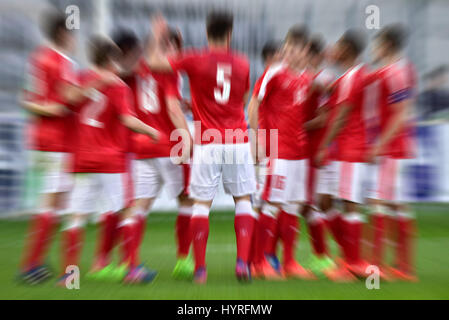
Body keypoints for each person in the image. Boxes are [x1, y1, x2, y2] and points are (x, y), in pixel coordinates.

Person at [148, 11, 257, 284]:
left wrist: (158, 34)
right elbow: (241, 99)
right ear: (230, 34)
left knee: (200, 204)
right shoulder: (243, 63)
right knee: (243, 199)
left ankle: (200, 269)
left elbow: (153, 63)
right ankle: (243, 263)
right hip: (236, 139)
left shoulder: (194, 58)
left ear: (207, 34)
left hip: (208, 141)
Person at [59, 36, 159, 285]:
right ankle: (132, 270)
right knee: (127, 210)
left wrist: (91, 82)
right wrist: (151, 131)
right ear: (111, 59)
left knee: (76, 216)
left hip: (82, 160)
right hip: (110, 161)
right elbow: (127, 120)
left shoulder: (81, 79)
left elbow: (67, 98)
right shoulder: (117, 86)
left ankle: (70, 276)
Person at [18, 11, 97, 284]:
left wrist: (39, 106)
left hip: (42, 138)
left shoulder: (38, 57)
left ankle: (36, 262)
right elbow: (67, 98)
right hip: (58, 141)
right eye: (73, 33)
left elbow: (28, 98)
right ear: (64, 34)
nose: (75, 40)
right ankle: (30, 264)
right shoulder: (62, 61)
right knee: (52, 202)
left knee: (55, 201)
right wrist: (96, 83)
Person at [116, 28, 195, 280]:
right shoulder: (169, 70)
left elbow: (122, 76)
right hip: (168, 145)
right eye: (173, 46)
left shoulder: (136, 69)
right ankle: (183, 261)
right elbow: (171, 108)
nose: (176, 52)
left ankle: (130, 265)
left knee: (139, 205)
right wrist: (186, 136)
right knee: (186, 200)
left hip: (142, 146)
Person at [249, 25, 316, 280]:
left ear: (305, 50)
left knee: (292, 205)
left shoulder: (307, 78)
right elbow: (254, 103)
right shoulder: (275, 72)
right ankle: (261, 262)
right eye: (286, 48)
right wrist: (257, 139)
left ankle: (289, 262)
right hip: (278, 150)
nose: (288, 53)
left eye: (294, 48)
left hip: (299, 151)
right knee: (271, 204)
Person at [316, 30, 370, 280]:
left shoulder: (352, 77)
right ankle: (349, 258)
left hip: (349, 149)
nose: (333, 49)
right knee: (330, 202)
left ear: (347, 49)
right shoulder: (346, 77)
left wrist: (324, 145)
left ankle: (353, 264)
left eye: (337, 45)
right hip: (345, 150)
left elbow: (342, 115)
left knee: (349, 204)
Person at [366, 24, 418, 281]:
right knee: (398, 204)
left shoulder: (395, 72)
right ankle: (404, 267)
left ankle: (378, 266)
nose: (373, 50)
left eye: (377, 44)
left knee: (379, 202)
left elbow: (402, 111)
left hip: (393, 148)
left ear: (386, 45)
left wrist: (380, 144)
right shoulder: (403, 69)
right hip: (399, 146)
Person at [301, 35, 338, 278]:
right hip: (307, 149)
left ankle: (326, 256)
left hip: (317, 149)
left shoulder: (321, 81)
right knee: (315, 205)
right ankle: (326, 256)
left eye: (305, 53)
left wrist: (297, 126)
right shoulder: (306, 79)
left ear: (312, 55)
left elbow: (325, 117)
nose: (300, 57)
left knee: (311, 205)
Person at [247, 40, 282, 278]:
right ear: (272, 58)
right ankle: (254, 260)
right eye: (281, 55)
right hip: (267, 148)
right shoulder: (268, 77)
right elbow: (252, 107)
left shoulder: (278, 80)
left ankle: (261, 257)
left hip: (279, 149)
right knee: (261, 203)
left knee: (272, 203)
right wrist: (257, 139)